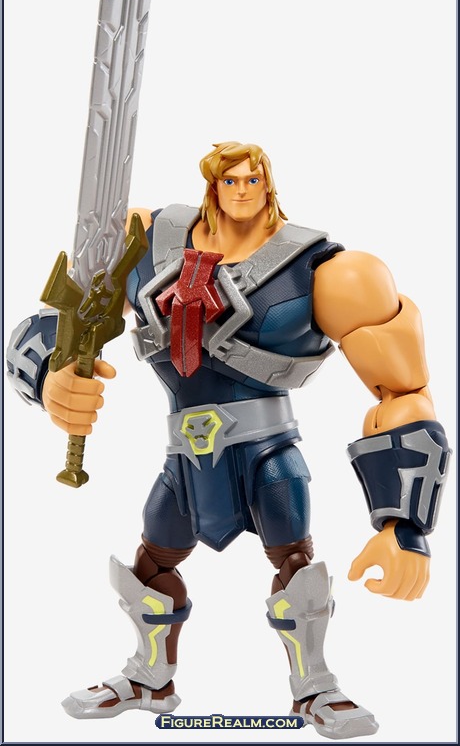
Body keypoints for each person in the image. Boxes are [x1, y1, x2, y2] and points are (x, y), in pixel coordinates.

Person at [6, 141, 450, 740]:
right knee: (151, 565)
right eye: (229, 180)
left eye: (252, 179)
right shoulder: (143, 241)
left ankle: (315, 687)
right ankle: (150, 678)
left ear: (269, 185)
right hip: (183, 456)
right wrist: (53, 378)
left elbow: (404, 392)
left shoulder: (330, 274)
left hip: (269, 452)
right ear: (211, 185)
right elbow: (56, 323)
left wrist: (405, 526)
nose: (242, 190)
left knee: (296, 569)